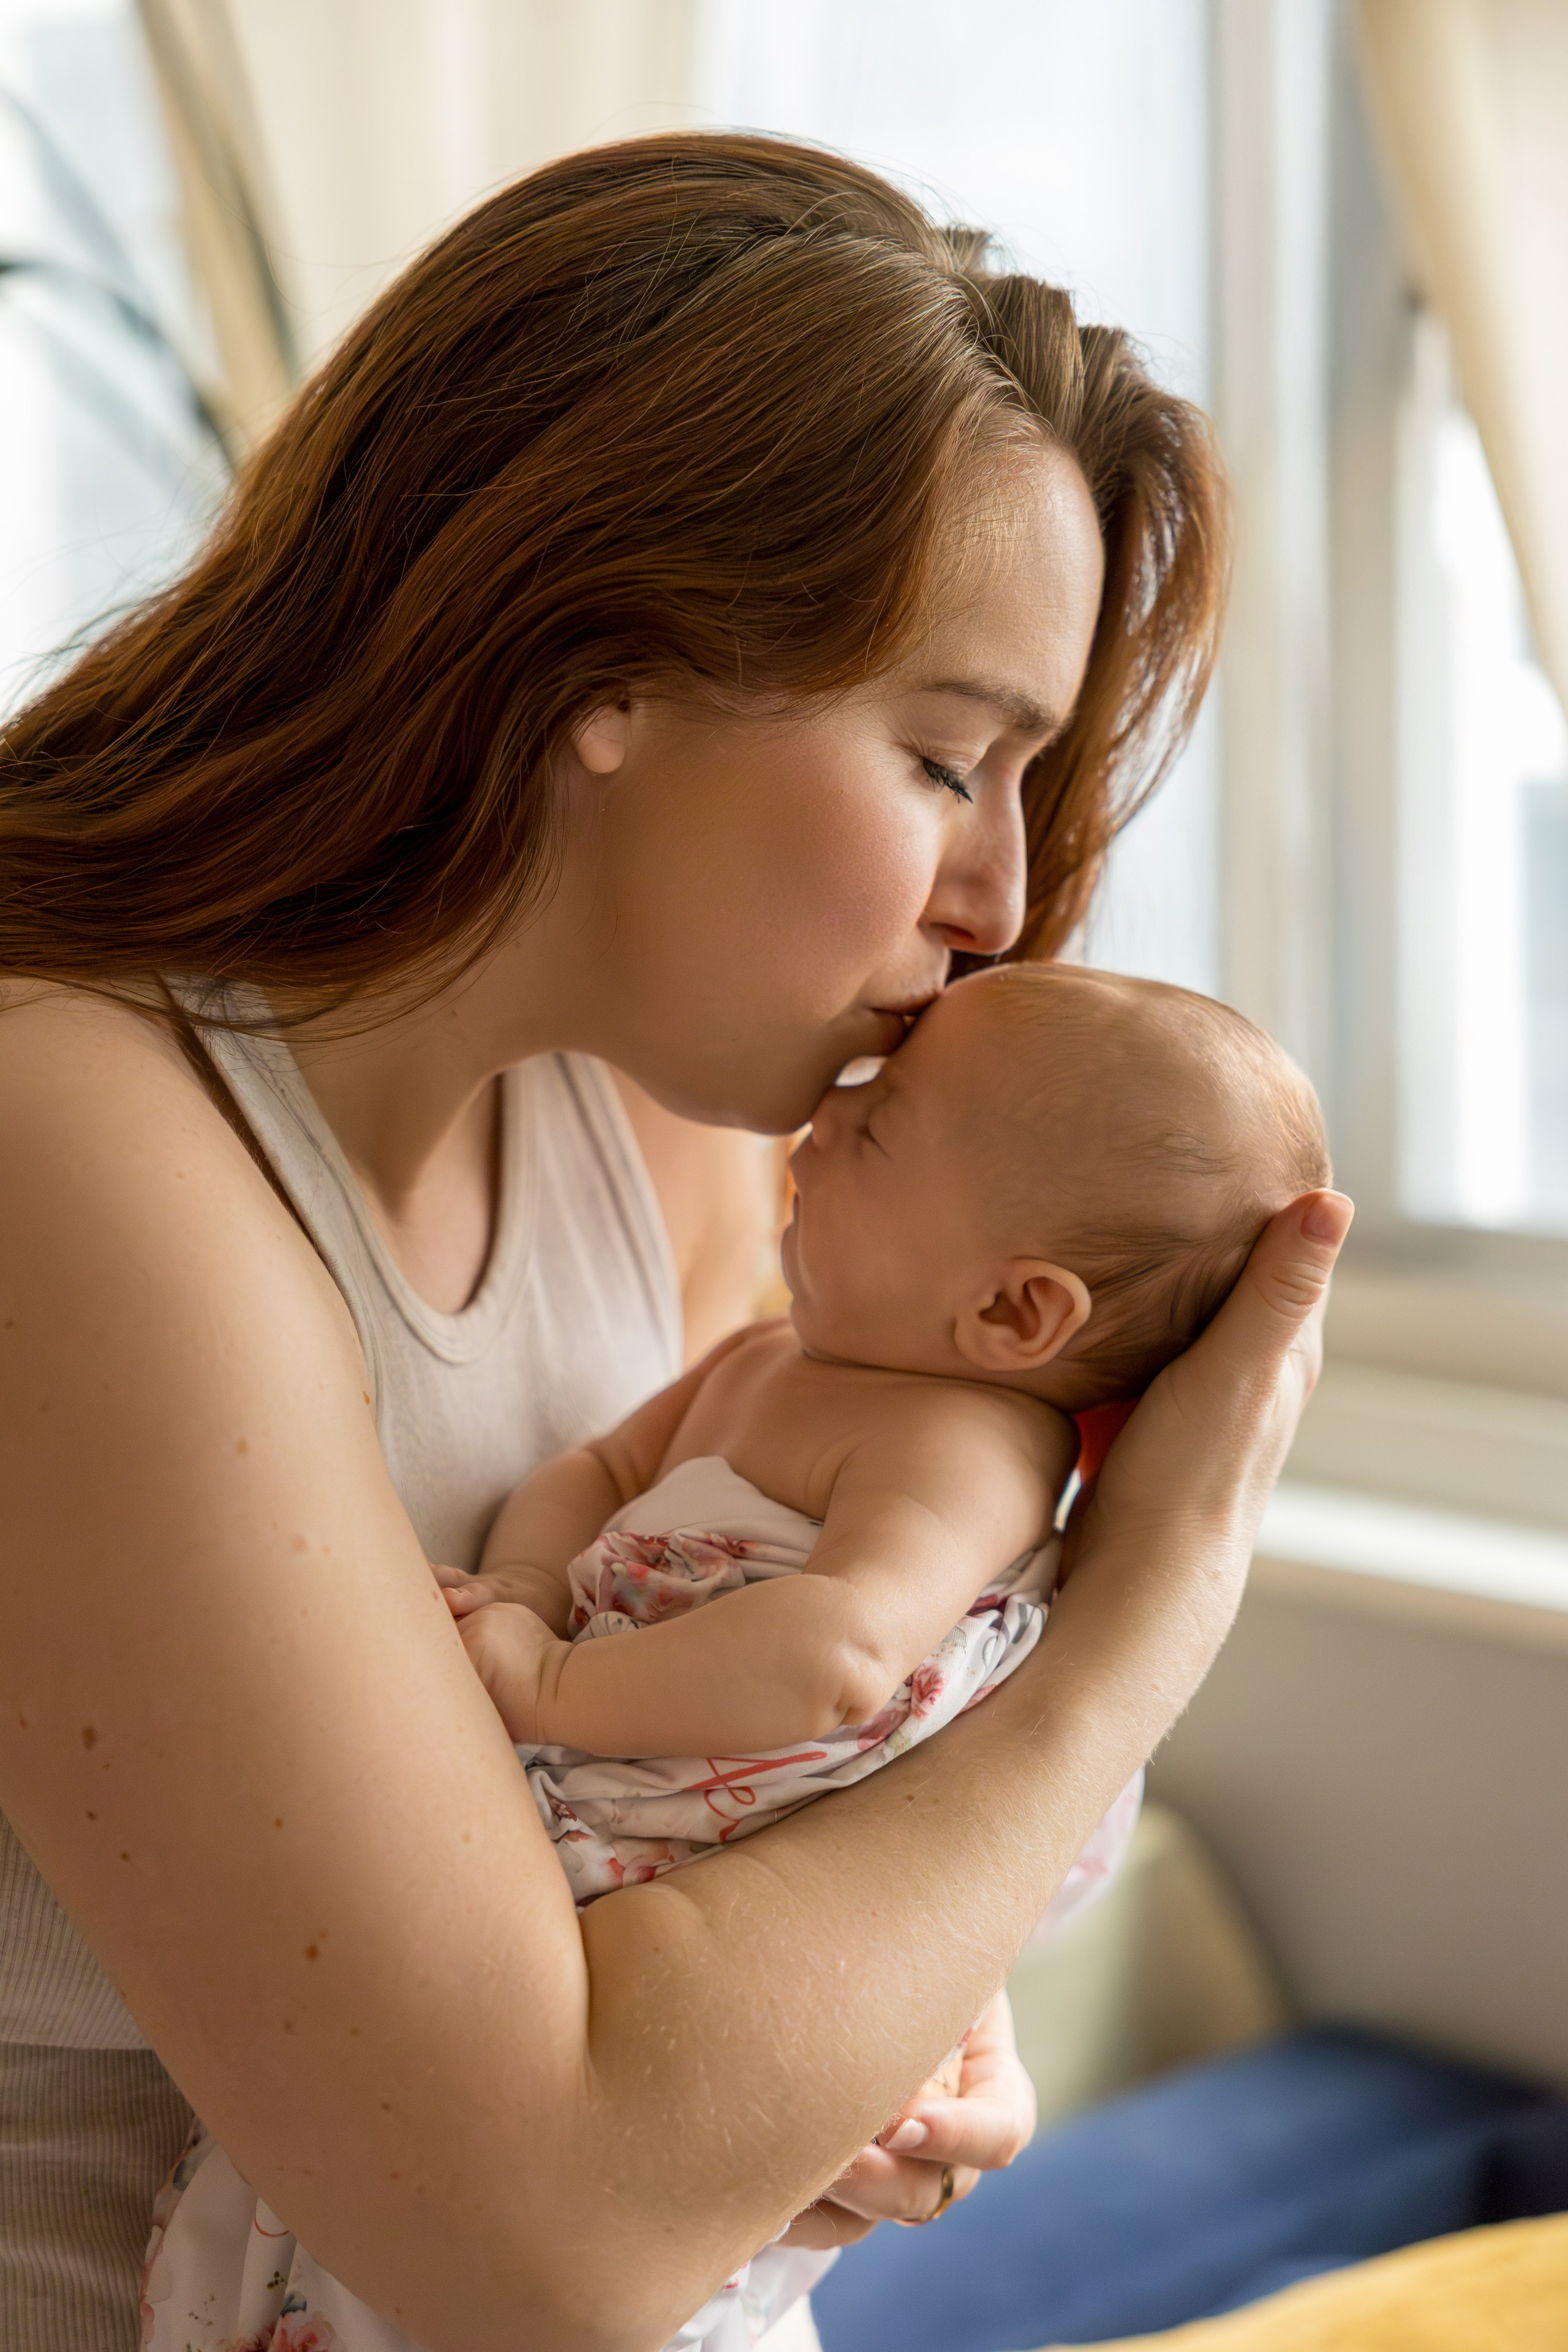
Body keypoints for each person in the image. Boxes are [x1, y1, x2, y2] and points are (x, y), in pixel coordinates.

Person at [0, 132, 1351, 2352]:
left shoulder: (673, 1131)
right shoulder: (83, 1137)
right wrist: (1143, 1622)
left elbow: (744, 1813)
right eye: (943, 758)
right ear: (601, 665)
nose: (997, 904)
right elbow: (535, 2237)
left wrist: (897, 2021)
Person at [138, 961, 1330, 2352]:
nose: (822, 1122)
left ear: (1013, 1316)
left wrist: (546, 1680)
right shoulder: (765, 1358)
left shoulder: (962, 1451)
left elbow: (833, 1660)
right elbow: (599, 1467)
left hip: (696, 1833)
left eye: (879, 1130)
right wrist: (526, 1582)